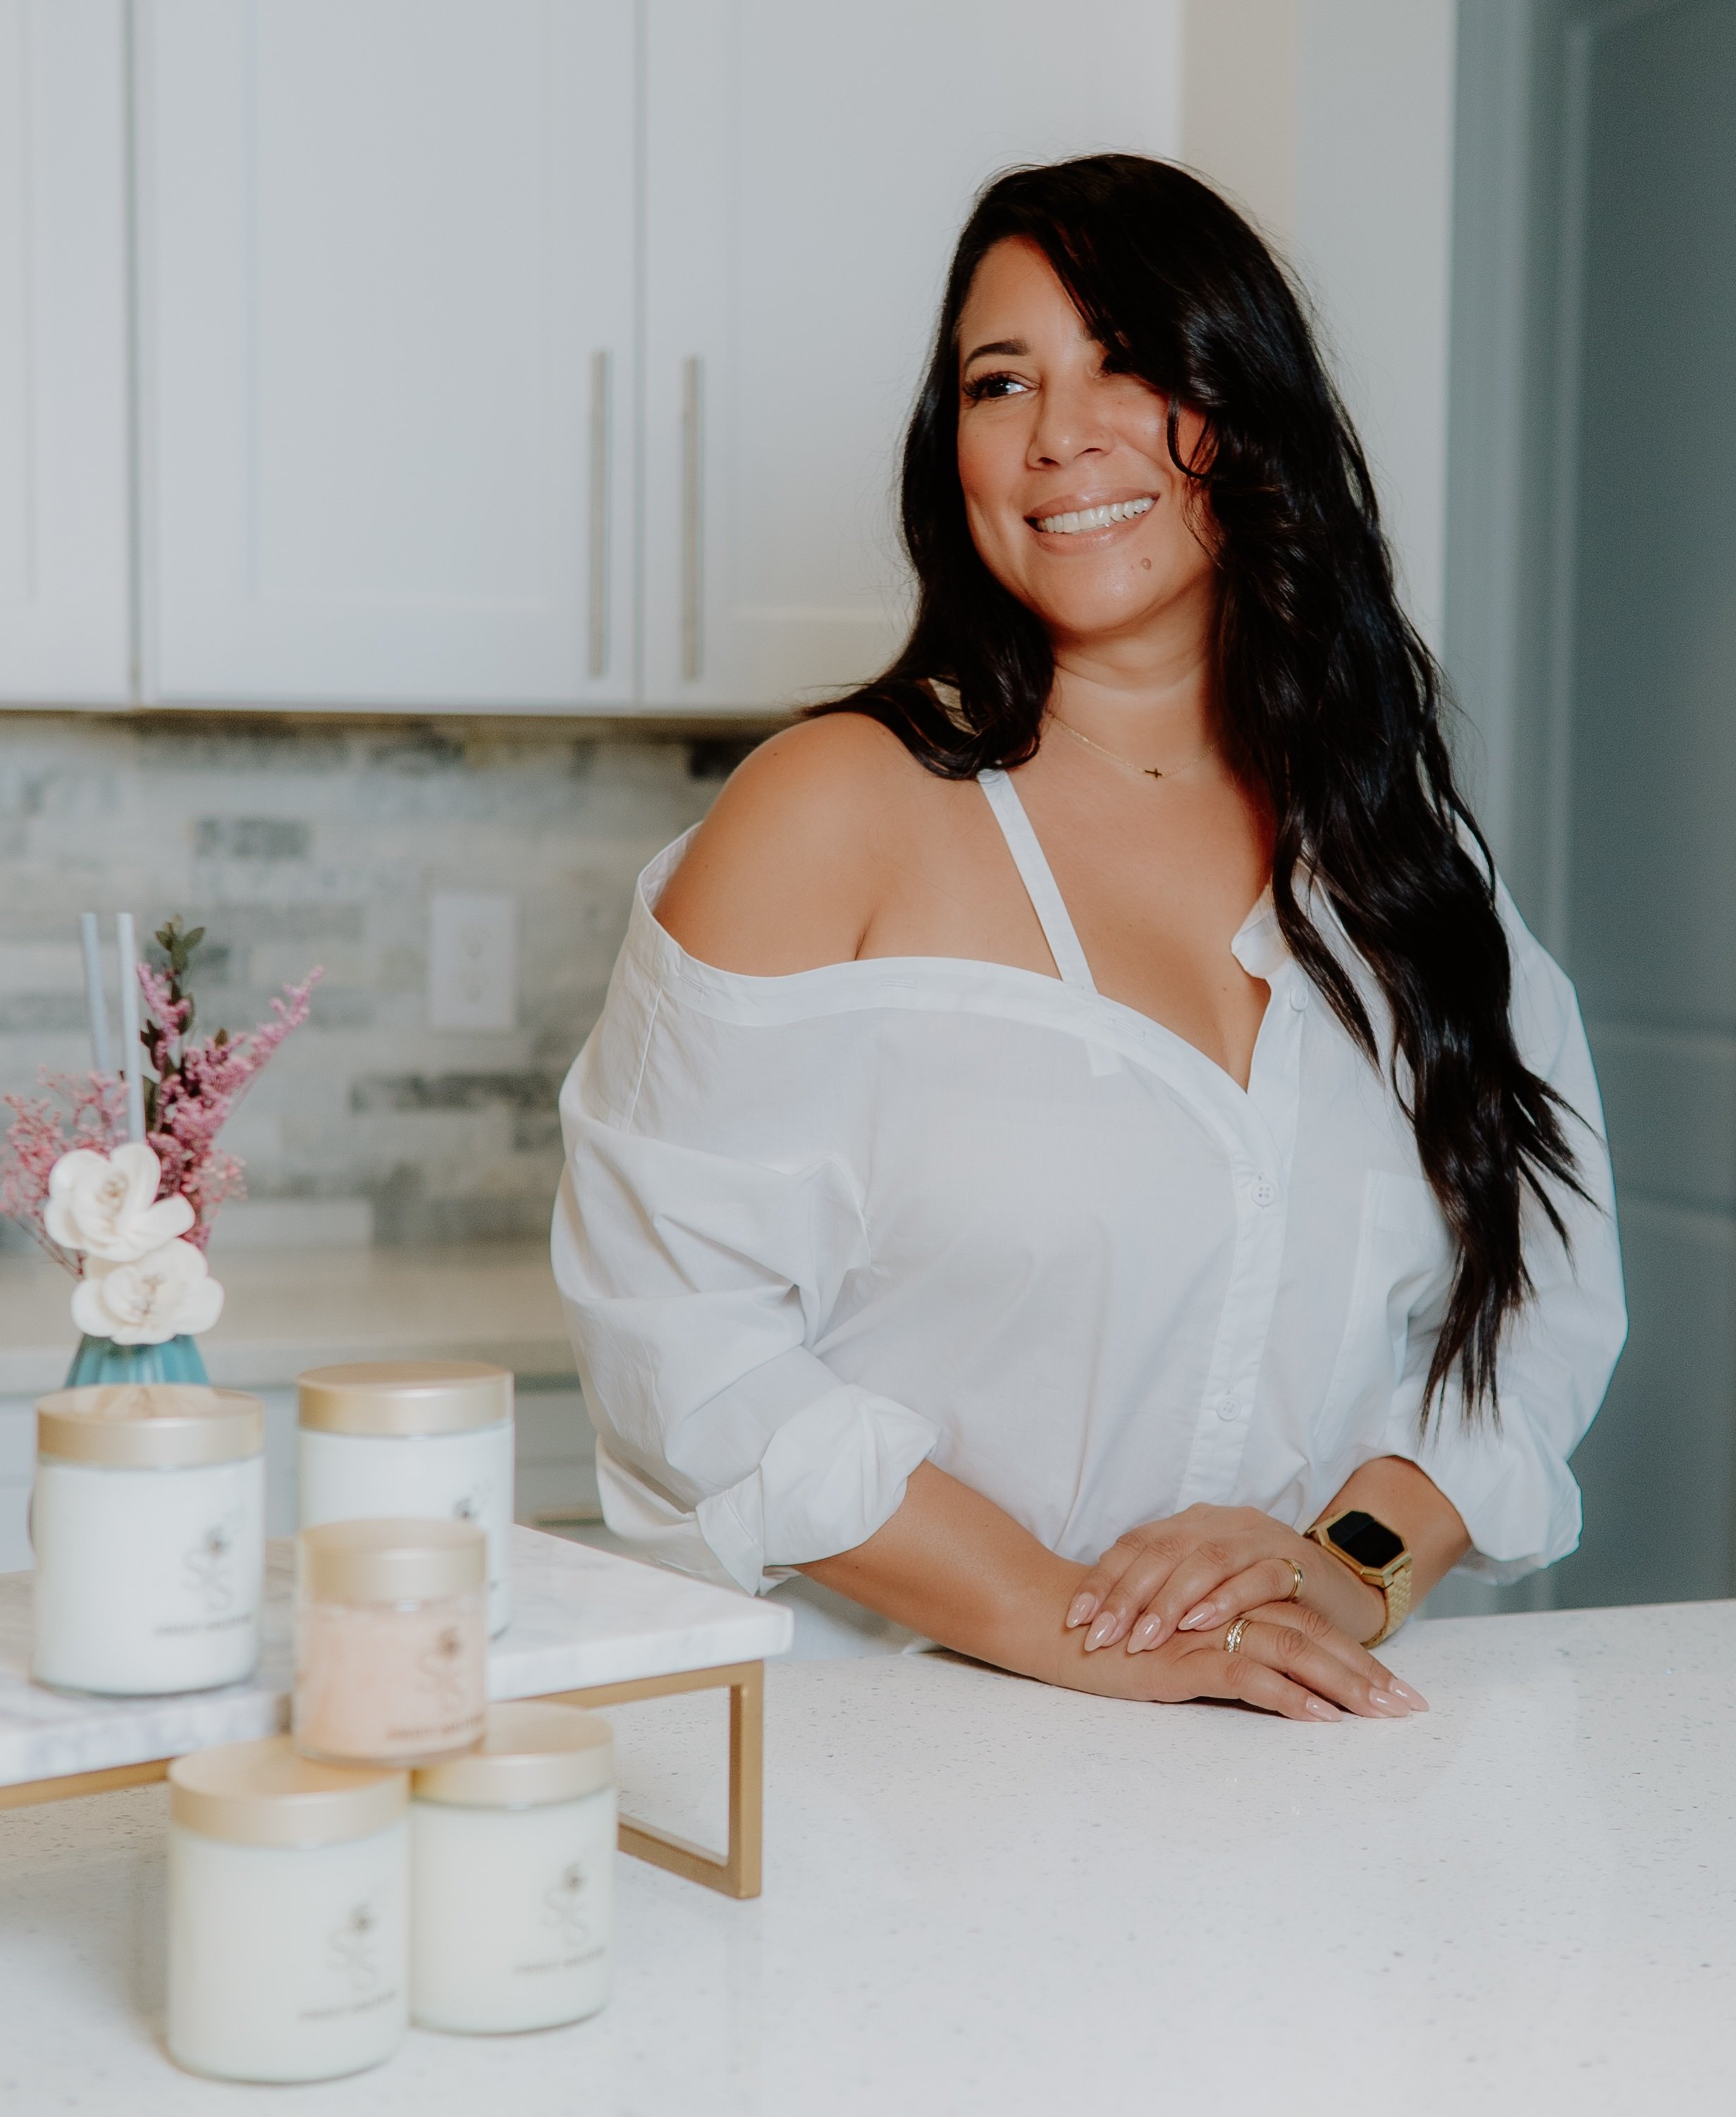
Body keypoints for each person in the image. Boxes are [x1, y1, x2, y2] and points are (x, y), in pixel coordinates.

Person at [553, 154, 1625, 1722]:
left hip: (1283, 1765)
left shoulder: (1398, 856)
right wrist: (1077, 1621)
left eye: (1124, 359)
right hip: (885, 1769)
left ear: (1242, 410)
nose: (1059, 432)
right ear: (953, 450)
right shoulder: (831, 808)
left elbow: (1541, 1294)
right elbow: (682, 1354)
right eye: (1001, 382)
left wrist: (1344, 1564)